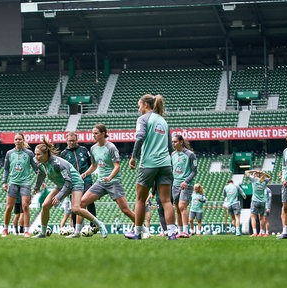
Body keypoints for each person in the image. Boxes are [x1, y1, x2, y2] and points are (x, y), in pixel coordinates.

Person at [32, 138, 107, 238]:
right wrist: (36, 187)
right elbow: (41, 174)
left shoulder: (57, 163)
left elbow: (69, 182)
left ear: (46, 154)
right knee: (45, 205)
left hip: (75, 183)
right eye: (35, 154)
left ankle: (99, 225)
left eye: (38, 154)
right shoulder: (41, 164)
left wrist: (59, 196)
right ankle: (42, 233)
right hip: (61, 185)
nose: (36, 157)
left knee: (76, 209)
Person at [125, 94, 176, 240]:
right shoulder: (163, 121)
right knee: (166, 200)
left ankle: (137, 232)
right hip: (165, 164)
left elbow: (140, 137)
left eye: (139, 105)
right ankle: (172, 233)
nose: (139, 109)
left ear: (146, 105)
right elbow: (169, 147)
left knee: (140, 199)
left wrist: (133, 157)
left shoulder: (143, 119)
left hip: (148, 163)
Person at [72, 124, 136, 238]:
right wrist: (86, 173)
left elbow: (117, 166)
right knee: (81, 203)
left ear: (103, 133)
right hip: (100, 183)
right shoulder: (93, 148)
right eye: (93, 133)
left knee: (125, 210)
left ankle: (143, 227)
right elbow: (94, 165)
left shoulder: (111, 147)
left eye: (96, 133)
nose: (94, 135)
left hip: (114, 182)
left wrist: (110, 178)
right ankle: (77, 232)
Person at [2, 133, 37, 238]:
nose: (18, 141)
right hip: (13, 182)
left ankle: (26, 231)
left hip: (25, 183)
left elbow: (35, 167)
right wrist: (4, 182)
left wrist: (41, 181)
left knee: (25, 206)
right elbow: (6, 169)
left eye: (19, 139)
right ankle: (5, 229)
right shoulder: (9, 153)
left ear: (23, 140)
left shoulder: (29, 153)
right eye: (16, 139)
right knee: (9, 207)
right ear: (14, 141)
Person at [60, 131, 97, 230]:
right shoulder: (63, 154)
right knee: (75, 204)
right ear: (66, 141)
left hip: (86, 179)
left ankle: (93, 224)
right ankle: (76, 227)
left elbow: (91, 163)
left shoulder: (84, 150)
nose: (72, 142)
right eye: (70, 141)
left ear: (77, 140)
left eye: (73, 140)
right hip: (74, 182)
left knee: (89, 199)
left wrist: (86, 173)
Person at [171, 134, 197, 238]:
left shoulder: (190, 155)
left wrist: (186, 181)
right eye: (172, 142)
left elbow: (194, 171)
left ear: (181, 142)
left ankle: (186, 231)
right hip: (175, 185)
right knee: (177, 208)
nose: (173, 143)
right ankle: (180, 231)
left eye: (175, 142)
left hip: (186, 185)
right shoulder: (172, 155)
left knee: (182, 206)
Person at [245, 169, 271, 237]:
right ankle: (261, 232)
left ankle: (255, 232)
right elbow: (270, 177)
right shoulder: (264, 181)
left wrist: (254, 170)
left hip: (255, 201)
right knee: (261, 218)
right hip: (262, 202)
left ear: (255, 174)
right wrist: (263, 173)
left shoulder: (254, 179)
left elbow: (246, 172)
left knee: (253, 217)